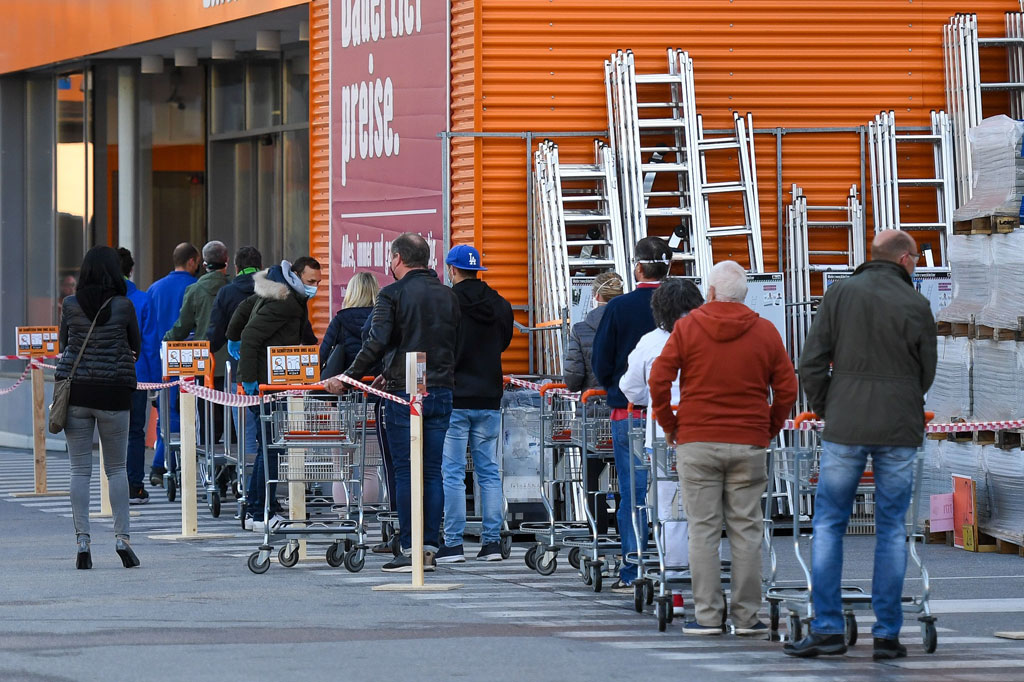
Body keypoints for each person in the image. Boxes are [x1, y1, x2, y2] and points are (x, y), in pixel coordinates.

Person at [785, 231, 937, 661]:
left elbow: (811, 361)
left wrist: (827, 404)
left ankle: (828, 629)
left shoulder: (839, 294)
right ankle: (887, 634)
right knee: (891, 529)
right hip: (899, 428)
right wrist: (905, 397)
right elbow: (927, 369)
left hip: (845, 427)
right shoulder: (917, 305)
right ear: (905, 259)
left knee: (829, 523)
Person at [649, 260, 797, 635]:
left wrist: (670, 425)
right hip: (748, 441)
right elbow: (787, 388)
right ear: (744, 295)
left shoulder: (687, 327)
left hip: (697, 440)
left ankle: (708, 615)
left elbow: (659, 378)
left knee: (703, 530)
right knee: (746, 530)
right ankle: (747, 617)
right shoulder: (765, 331)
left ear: (711, 292)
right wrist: (769, 426)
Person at [324, 233, 460, 573]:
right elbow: (454, 343)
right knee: (431, 470)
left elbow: (376, 341)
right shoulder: (447, 295)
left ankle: (411, 546)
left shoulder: (393, 294)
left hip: (404, 392)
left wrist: (350, 377)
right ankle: (429, 544)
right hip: (440, 388)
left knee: (405, 469)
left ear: (398, 258)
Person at [590, 236, 672, 592]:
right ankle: (676, 565)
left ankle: (632, 567)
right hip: (677, 413)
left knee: (632, 494)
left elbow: (601, 360)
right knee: (674, 495)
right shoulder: (684, 308)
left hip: (629, 411)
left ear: (638, 268)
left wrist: (613, 387)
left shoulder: (619, 308)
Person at [618, 278, 704, 617]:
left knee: (672, 511)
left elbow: (631, 388)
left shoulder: (652, 342)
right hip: (711, 430)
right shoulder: (709, 339)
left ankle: (677, 591)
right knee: (713, 510)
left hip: (667, 435)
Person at [56, 246, 142, 569]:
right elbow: (136, 346)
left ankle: (82, 541)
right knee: (116, 469)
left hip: (77, 393)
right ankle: (122, 538)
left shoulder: (70, 305)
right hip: (114, 395)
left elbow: (64, 346)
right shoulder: (124, 306)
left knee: (79, 470)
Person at [228, 257, 321, 532]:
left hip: (272, 381)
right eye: (310, 281)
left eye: (318, 282)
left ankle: (257, 508)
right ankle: (259, 511)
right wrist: (251, 379)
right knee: (271, 448)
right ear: (295, 275)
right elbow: (251, 337)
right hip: (269, 384)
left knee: (269, 446)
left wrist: (231, 335)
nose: (315, 287)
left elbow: (242, 312)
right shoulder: (286, 301)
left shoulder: (279, 290)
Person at [437, 245, 514, 563]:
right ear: (477, 270)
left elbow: (440, 345)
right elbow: (505, 341)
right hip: (489, 397)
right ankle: (492, 542)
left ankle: (453, 543)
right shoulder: (500, 304)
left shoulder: (447, 303)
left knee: (453, 473)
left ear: (452, 271)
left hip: (455, 397)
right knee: (489, 473)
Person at [319, 272, 385, 515]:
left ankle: (344, 520)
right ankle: (363, 523)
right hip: (375, 400)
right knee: (369, 469)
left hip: (343, 400)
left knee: (341, 468)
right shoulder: (383, 319)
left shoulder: (340, 320)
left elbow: (322, 356)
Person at [165, 240, 232, 443]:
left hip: (204, 364)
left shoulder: (194, 291)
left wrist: (166, 340)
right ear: (226, 262)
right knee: (232, 420)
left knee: (207, 421)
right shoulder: (232, 290)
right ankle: (230, 469)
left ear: (204, 264)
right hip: (231, 364)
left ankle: (208, 465)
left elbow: (182, 326)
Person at [146, 242, 200, 485]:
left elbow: (148, 329)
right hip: (191, 362)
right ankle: (170, 463)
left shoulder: (155, 289)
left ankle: (162, 464)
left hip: (161, 361)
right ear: (192, 261)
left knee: (165, 414)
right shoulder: (196, 287)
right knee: (185, 413)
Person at [207, 245, 263, 472]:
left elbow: (215, 334)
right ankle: (264, 487)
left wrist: (203, 352)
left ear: (237, 267)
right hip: (271, 372)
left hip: (238, 373)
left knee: (246, 433)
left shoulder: (227, 293)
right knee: (270, 433)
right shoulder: (272, 290)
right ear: (260, 267)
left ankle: (249, 488)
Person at [118, 248, 161, 505]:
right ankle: (134, 486)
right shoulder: (143, 300)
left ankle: (111, 487)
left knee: (111, 431)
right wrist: (156, 382)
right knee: (135, 431)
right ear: (131, 270)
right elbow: (150, 343)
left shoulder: (101, 301)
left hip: (107, 376)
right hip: (138, 376)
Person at [564, 272, 624, 393]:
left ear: (596, 296)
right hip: (626, 403)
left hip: (592, 403)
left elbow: (573, 379)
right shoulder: (632, 325)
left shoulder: (580, 330)